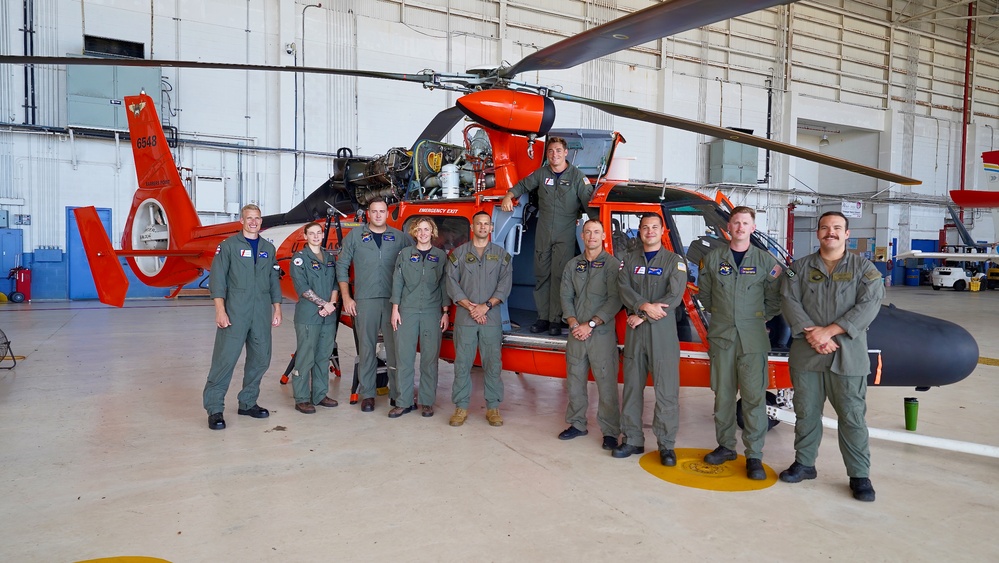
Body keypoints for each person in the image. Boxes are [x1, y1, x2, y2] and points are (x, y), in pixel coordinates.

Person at [779, 211, 885, 502]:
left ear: (847, 234)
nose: (831, 232)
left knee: (852, 417)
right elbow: (789, 300)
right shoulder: (798, 268)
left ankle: (859, 476)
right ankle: (804, 464)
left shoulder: (865, 269)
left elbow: (870, 304)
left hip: (847, 355)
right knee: (806, 413)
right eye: (825, 228)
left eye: (837, 228)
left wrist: (830, 331)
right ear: (818, 233)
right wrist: (813, 334)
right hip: (807, 353)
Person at [697, 206, 782, 479]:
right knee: (722, 395)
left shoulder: (767, 261)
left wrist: (755, 319)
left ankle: (754, 455)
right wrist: (725, 317)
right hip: (722, 337)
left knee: (754, 398)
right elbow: (705, 296)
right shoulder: (712, 259)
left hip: (753, 339)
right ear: (728, 228)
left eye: (746, 223)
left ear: (752, 228)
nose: (740, 227)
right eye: (736, 223)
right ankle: (725, 446)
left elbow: (774, 299)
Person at [501, 136, 596, 336]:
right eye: (551, 151)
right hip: (543, 231)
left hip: (566, 231)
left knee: (560, 277)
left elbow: (591, 205)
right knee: (542, 275)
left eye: (558, 151)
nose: (554, 155)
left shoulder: (578, 177)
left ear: (566, 152)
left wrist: (598, 228)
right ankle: (543, 317)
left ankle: (556, 319)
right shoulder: (541, 173)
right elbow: (523, 185)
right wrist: (509, 195)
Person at [614, 213, 687, 464]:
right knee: (632, 388)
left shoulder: (674, 261)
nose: (649, 231)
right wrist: (643, 305)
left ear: (662, 230)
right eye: (645, 227)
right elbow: (624, 289)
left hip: (662, 334)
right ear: (640, 230)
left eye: (654, 227)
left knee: (666, 391)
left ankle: (666, 445)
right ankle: (632, 439)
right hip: (636, 335)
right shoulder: (628, 261)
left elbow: (674, 296)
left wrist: (643, 315)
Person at [203, 204, 282, 430]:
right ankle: (215, 408)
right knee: (225, 360)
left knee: (261, 358)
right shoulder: (228, 246)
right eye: (249, 218)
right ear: (241, 220)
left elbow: (273, 280)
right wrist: (220, 309)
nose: (254, 222)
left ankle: (248, 402)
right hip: (235, 310)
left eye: (257, 218)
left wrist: (277, 308)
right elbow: (217, 280)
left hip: (261, 311)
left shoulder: (268, 248)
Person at [336, 197, 410, 413]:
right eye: (374, 211)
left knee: (394, 349)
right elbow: (341, 266)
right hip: (365, 300)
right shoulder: (355, 236)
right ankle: (367, 394)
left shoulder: (400, 238)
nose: (378, 215)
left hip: (392, 301)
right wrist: (347, 297)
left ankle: (397, 394)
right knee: (366, 348)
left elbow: (413, 262)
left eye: (382, 211)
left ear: (388, 214)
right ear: (368, 213)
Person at [558, 219, 623, 450]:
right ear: (582, 236)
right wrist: (574, 322)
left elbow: (615, 299)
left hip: (601, 334)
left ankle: (610, 432)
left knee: (606, 384)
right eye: (588, 232)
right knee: (574, 380)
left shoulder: (612, 265)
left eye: (596, 232)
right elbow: (565, 295)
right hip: (576, 333)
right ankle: (577, 423)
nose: (592, 236)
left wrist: (591, 324)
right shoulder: (572, 265)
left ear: (604, 236)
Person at [445, 211, 513, 427]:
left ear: (491, 228)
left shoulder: (502, 255)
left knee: (492, 364)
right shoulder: (458, 254)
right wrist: (470, 307)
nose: (483, 227)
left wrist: (486, 307)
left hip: (491, 319)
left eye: (486, 224)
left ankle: (493, 408)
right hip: (466, 318)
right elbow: (451, 282)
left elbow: (504, 285)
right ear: (472, 227)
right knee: (462, 364)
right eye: (479, 224)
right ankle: (461, 407)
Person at [389, 217, 450, 418]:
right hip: (407, 310)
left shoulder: (440, 256)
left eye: (427, 229)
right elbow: (397, 281)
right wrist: (395, 309)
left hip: (432, 312)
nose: (423, 233)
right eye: (419, 230)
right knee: (404, 357)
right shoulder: (405, 254)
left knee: (429, 359)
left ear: (432, 232)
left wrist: (445, 312)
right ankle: (404, 402)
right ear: (414, 233)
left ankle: (426, 401)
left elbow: (444, 285)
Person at [289, 222, 340, 414]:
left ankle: (319, 394)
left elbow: (335, 283)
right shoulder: (300, 259)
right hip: (309, 315)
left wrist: (332, 304)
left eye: (319, 233)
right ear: (305, 236)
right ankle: (302, 398)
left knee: (323, 356)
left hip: (327, 316)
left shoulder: (328, 257)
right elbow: (303, 289)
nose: (316, 236)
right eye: (312, 233)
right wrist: (323, 304)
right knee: (305, 356)